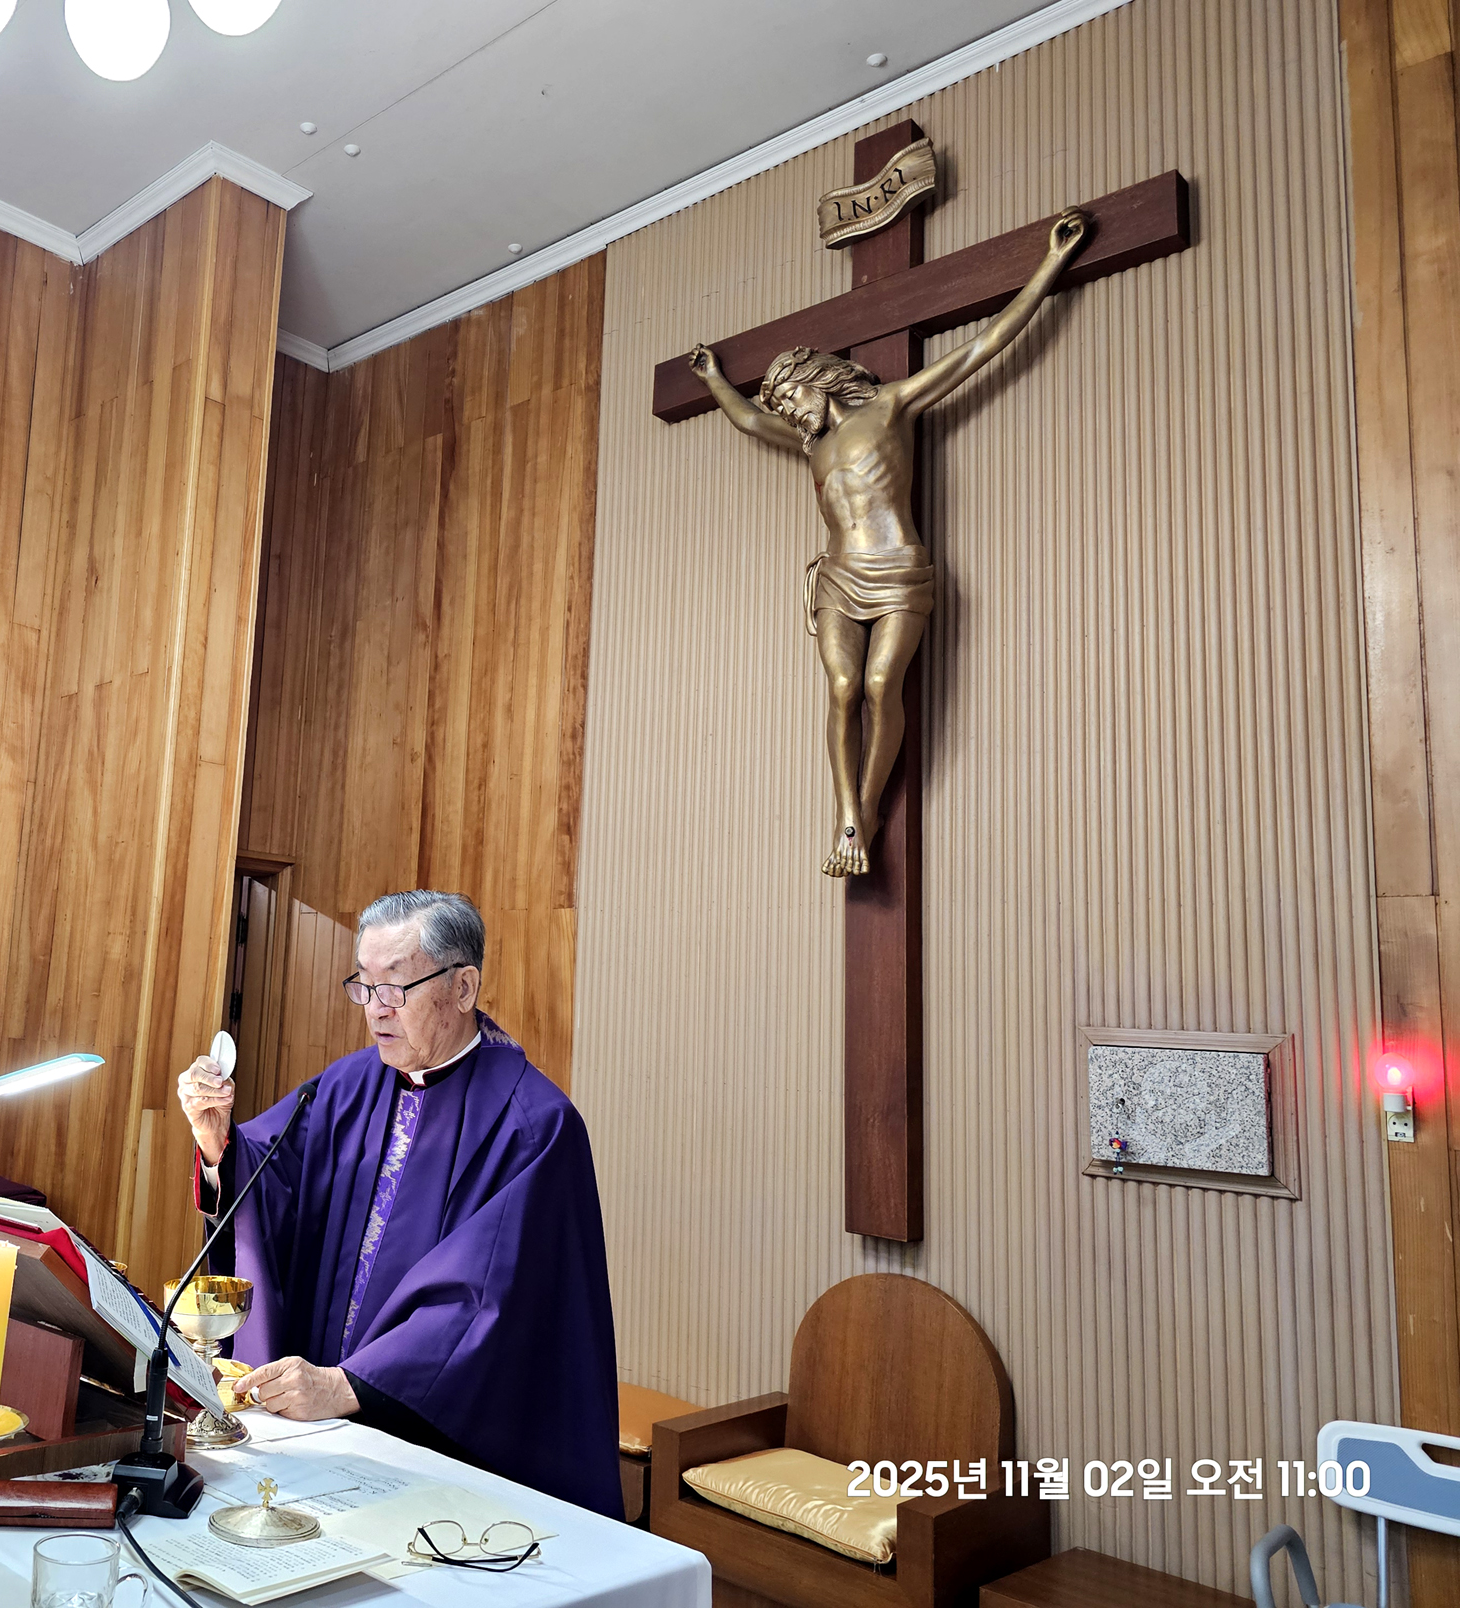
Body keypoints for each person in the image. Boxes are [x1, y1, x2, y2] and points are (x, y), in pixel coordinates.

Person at [177, 890, 621, 1516]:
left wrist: (347, 1385)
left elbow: (489, 1300)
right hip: (320, 1431)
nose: (375, 1010)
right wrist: (217, 1140)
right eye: (363, 986)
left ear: (463, 988)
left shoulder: (534, 1125)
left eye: (396, 988)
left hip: (448, 1446)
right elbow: (272, 1192)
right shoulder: (345, 1085)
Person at [686, 206, 1090, 877]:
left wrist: (1051, 262)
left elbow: (982, 347)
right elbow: (751, 424)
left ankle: (864, 814)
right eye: (786, 409)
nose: (790, 416)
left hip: (899, 568)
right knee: (842, 688)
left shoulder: (891, 406)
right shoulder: (806, 440)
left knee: (880, 684)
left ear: (817, 383)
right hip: (839, 576)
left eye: (793, 401)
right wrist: (713, 381)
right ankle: (849, 815)